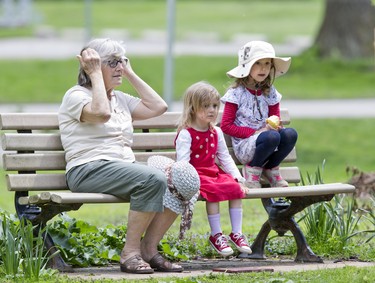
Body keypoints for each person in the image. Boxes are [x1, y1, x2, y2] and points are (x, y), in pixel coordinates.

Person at [58, 38, 184, 274]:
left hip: (121, 169)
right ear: (93, 67)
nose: (119, 68)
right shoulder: (76, 96)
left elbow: (158, 107)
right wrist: (95, 74)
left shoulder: (120, 99)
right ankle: (130, 254)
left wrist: (129, 71)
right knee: (152, 179)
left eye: (122, 61)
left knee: (183, 179)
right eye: (112, 62)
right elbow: (101, 114)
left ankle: (149, 249)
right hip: (88, 169)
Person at [175, 81, 252, 256]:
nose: (212, 110)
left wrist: (238, 179)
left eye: (215, 106)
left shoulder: (215, 132)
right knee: (214, 190)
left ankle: (237, 233)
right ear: (193, 108)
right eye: (206, 106)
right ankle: (216, 235)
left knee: (234, 188)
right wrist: (188, 184)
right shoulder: (186, 134)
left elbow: (225, 157)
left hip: (213, 171)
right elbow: (183, 164)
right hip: (195, 175)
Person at [221, 41, 298, 189]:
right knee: (271, 136)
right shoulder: (236, 94)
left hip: (269, 141)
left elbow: (274, 119)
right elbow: (226, 125)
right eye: (258, 63)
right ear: (247, 66)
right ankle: (252, 169)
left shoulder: (270, 92)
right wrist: (256, 132)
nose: (263, 68)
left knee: (290, 134)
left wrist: (276, 126)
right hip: (245, 146)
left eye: (267, 63)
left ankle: (271, 168)